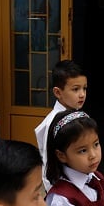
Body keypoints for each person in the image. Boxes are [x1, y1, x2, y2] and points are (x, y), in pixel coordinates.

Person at [35, 60, 88, 191]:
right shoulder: (52, 123)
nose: (82, 94)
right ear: (58, 92)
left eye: (84, 88)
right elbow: (48, 164)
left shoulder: (81, 116)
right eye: (75, 89)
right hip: (63, 190)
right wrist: (56, 194)